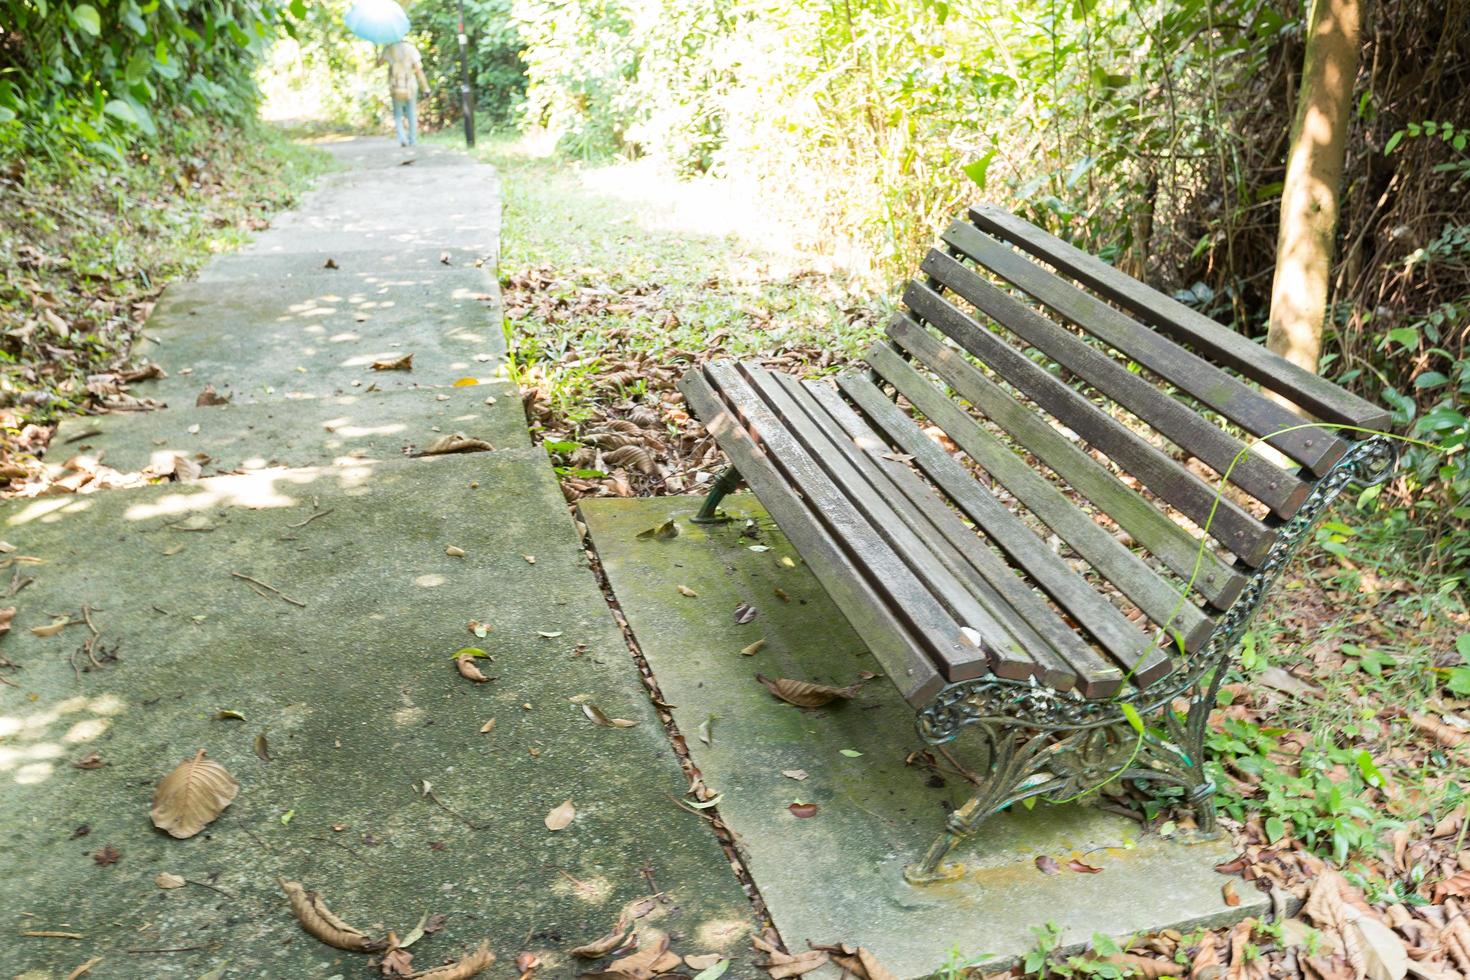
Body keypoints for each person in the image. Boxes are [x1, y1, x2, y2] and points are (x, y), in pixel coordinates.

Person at [379, 40, 430, 147]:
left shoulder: (389, 49)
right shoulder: (410, 48)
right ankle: (412, 140)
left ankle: (402, 138)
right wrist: (426, 88)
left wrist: (381, 54)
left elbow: (379, 63)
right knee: (411, 113)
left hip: (396, 85)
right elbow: (418, 70)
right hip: (410, 85)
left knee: (398, 114)